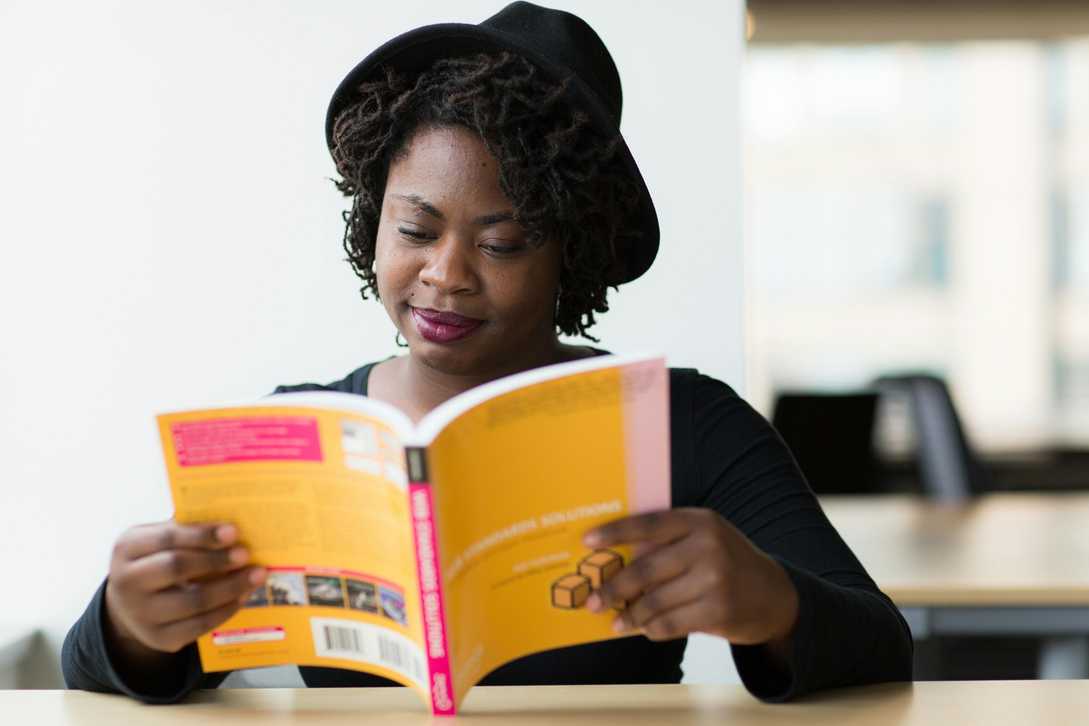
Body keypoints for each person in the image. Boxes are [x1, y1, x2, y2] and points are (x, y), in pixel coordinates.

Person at [62, 1, 912, 704]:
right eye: (415, 230)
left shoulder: (684, 424)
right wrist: (134, 624)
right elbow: (104, 669)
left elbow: (882, 648)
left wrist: (772, 604)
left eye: (501, 245)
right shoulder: (300, 431)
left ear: (566, 256)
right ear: (373, 226)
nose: (446, 274)